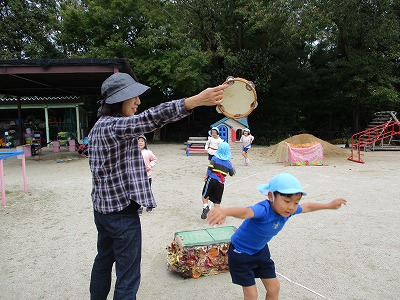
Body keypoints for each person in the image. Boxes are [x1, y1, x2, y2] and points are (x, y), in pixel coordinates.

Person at [88, 72, 228, 300]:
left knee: (103, 260)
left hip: (102, 211)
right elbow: (152, 117)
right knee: (128, 274)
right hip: (121, 215)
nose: (138, 102)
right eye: (132, 97)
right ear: (116, 100)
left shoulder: (98, 127)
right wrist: (195, 100)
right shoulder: (115, 126)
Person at [207, 173, 347, 300]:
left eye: (296, 202)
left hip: (261, 251)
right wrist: (225, 211)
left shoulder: (289, 211)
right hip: (241, 253)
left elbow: (308, 207)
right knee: (252, 294)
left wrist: (329, 205)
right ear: (271, 196)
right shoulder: (263, 209)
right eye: (287, 201)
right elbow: (246, 212)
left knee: (274, 288)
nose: (291, 207)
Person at [200, 142, 236, 219]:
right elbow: (232, 174)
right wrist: (233, 168)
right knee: (217, 201)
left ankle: (206, 207)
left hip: (212, 179)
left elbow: (210, 168)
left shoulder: (214, 159)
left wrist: (206, 176)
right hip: (221, 183)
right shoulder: (229, 163)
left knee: (205, 195)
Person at [137, 135, 157, 213]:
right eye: (138, 141)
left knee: (147, 191)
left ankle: (150, 205)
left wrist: (149, 166)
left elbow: (154, 159)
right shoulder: (134, 152)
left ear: (145, 143)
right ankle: (139, 207)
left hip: (147, 176)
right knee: (138, 191)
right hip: (137, 176)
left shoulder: (148, 152)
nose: (140, 143)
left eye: (142, 141)